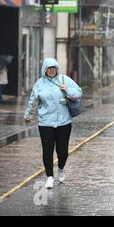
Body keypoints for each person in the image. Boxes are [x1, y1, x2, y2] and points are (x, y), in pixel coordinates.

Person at [24, 58, 83, 189]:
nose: (51, 70)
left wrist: (67, 90)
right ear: (45, 70)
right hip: (46, 122)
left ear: (57, 68)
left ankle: (61, 168)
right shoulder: (39, 84)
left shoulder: (64, 79)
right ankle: (49, 177)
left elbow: (79, 92)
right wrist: (28, 115)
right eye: (49, 68)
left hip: (64, 122)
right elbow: (33, 101)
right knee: (47, 150)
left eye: (54, 68)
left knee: (63, 151)